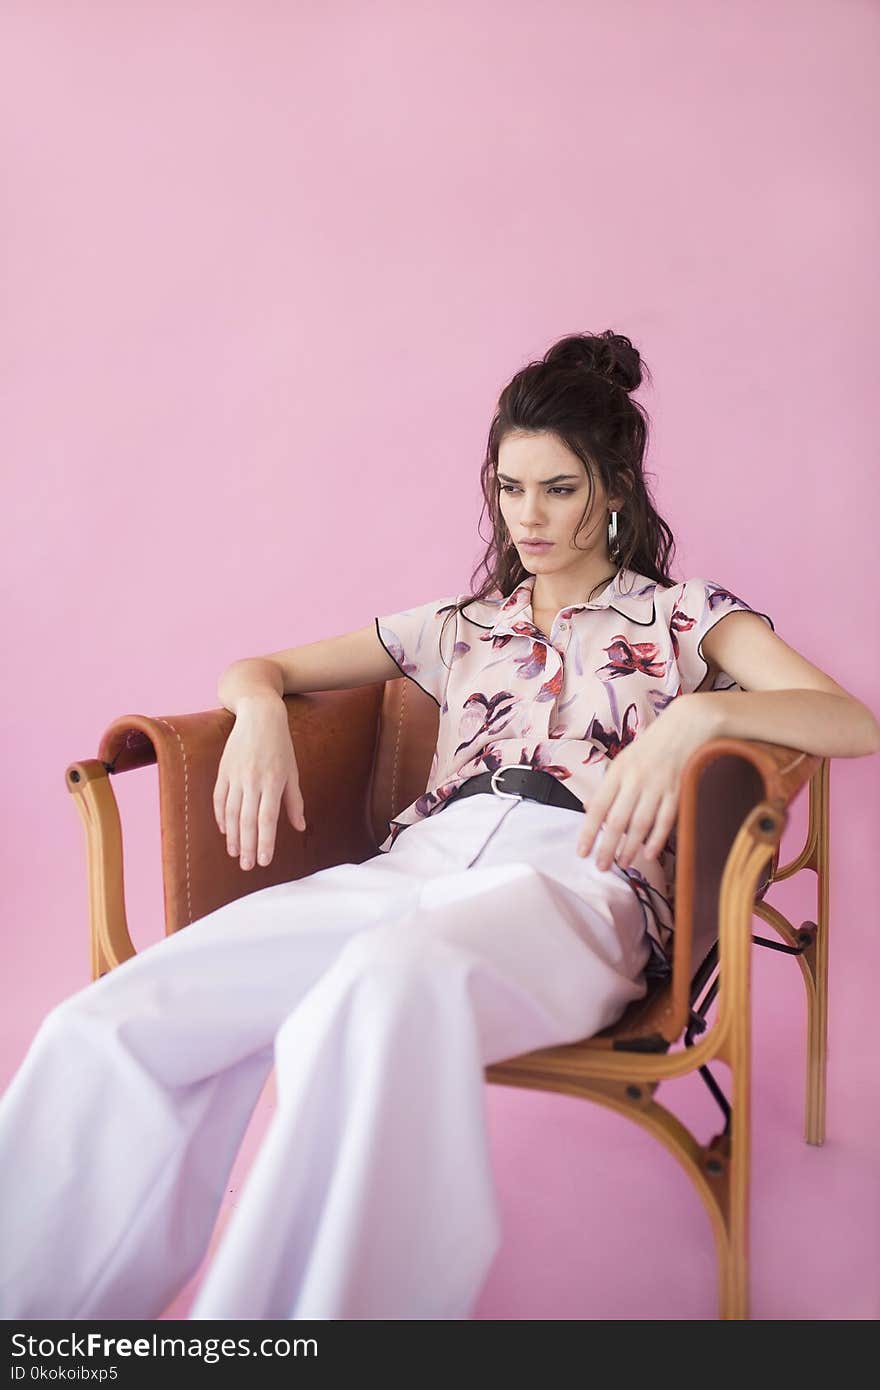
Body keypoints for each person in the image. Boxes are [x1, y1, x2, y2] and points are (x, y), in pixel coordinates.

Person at [1, 331, 877, 1322]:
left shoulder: (684, 618)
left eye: (557, 488)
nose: (528, 517)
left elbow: (849, 719)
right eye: (509, 488)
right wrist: (253, 716)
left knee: (382, 988)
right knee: (116, 1016)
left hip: (578, 876)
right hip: (413, 863)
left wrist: (702, 712)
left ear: (614, 494)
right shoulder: (461, 624)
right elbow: (264, 668)